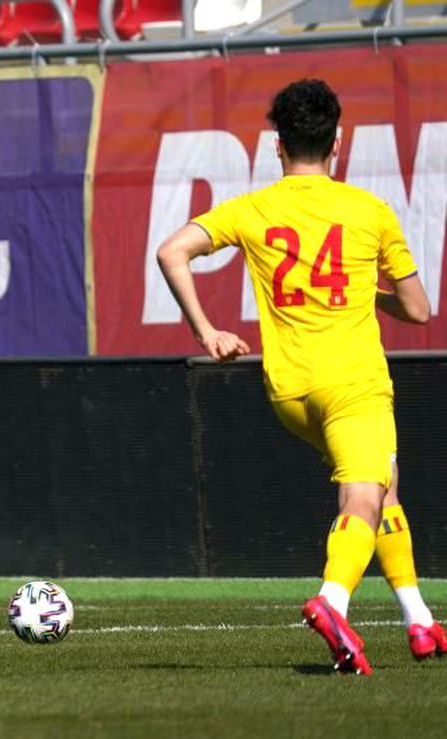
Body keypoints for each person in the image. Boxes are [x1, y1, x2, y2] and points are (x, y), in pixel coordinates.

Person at [157, 78, 445, 675]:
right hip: (354, 383)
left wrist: (206, 331)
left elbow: (171, 251)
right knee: (364, 495)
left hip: (288, 391)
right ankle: (332, 602)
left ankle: (418, 619)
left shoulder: (255, 209)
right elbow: (419, 309)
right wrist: (373, 293)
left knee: (385, 482)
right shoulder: (370, 212)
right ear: (336, 142)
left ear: (277, 146)